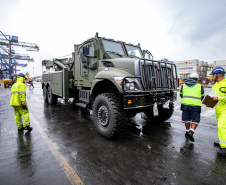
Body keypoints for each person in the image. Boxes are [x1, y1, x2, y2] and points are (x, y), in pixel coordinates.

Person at [180, 73, 204, 142]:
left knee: (186, 119)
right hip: (196, 105)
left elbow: (181, 95)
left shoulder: (183, 85)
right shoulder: (200, 86)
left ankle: (187, 131)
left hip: (185, 105)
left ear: (189, 78)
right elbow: (202, 96)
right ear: (197, 79)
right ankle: (191, 131)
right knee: (195, 120)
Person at [208, 66, 226, 157]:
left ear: (217, 75)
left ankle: (225, 148)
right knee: (220, 127)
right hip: (218, 110)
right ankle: (222, 142)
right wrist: (209, 103)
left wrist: (218, 98)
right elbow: (213, 97)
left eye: (213, 75)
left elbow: (218, 97)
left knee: (221, 126)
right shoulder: (215, 85)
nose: (212, 77)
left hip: (225, 110)